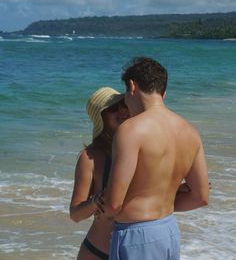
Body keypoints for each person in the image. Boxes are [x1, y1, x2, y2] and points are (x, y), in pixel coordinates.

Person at [103, 57, 209, 260]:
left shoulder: (131, 130)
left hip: (136, 237)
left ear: (132, 86)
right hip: (168, 231)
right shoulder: (190, 132)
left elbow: (113, 205)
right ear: (164, 92)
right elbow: (201, 197)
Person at [70, 87, 129, 260]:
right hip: (97, 251)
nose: (122, 110)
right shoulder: (91, 157)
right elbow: (75, 214)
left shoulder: (143, 147)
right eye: (112, 108)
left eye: (123, 104)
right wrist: (97, 201)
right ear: (101, 118)